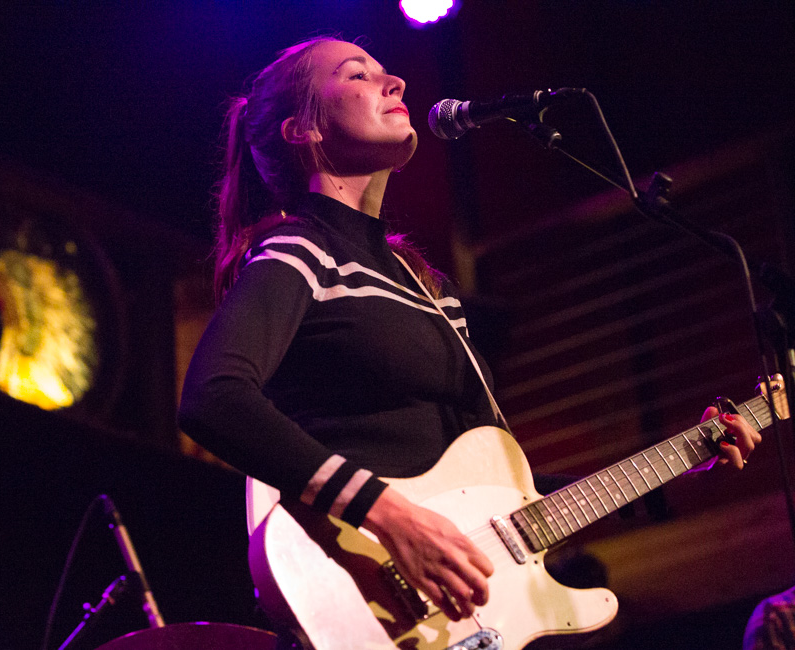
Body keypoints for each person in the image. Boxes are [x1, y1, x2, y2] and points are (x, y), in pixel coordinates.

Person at [177, 35, 761, 629]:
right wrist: (389, 516)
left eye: (386, 71)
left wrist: (685, 455)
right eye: (357, 75)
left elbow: (503, 498)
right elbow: (214, 396)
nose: (395, 82)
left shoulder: (427, 286)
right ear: (305, 130)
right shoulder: (301, 249)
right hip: (354, 591)